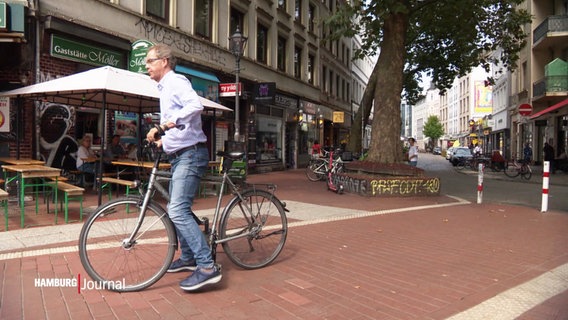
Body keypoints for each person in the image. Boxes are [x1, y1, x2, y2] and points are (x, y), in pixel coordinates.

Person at [145, 43, 220, 292]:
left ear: (164, 61)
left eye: (149, 61)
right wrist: (163, 141)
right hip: (180, 154)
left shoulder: (176, 81)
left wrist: (164, 127)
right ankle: (188, 258)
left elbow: (195, 106)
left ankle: (207, 267)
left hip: (191, 155)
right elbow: (182, 128)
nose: (146, 66)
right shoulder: (164, 88)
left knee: (176, 210)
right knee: (177, 208)